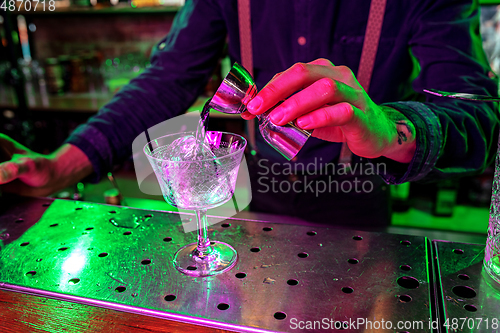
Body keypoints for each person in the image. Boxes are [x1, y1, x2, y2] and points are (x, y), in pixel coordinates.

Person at [0, 0, 498, 227]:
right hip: (252, 192)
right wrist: (58, 167)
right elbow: (166, 80)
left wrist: (391, 129)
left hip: (358, 194)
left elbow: (478, 115)